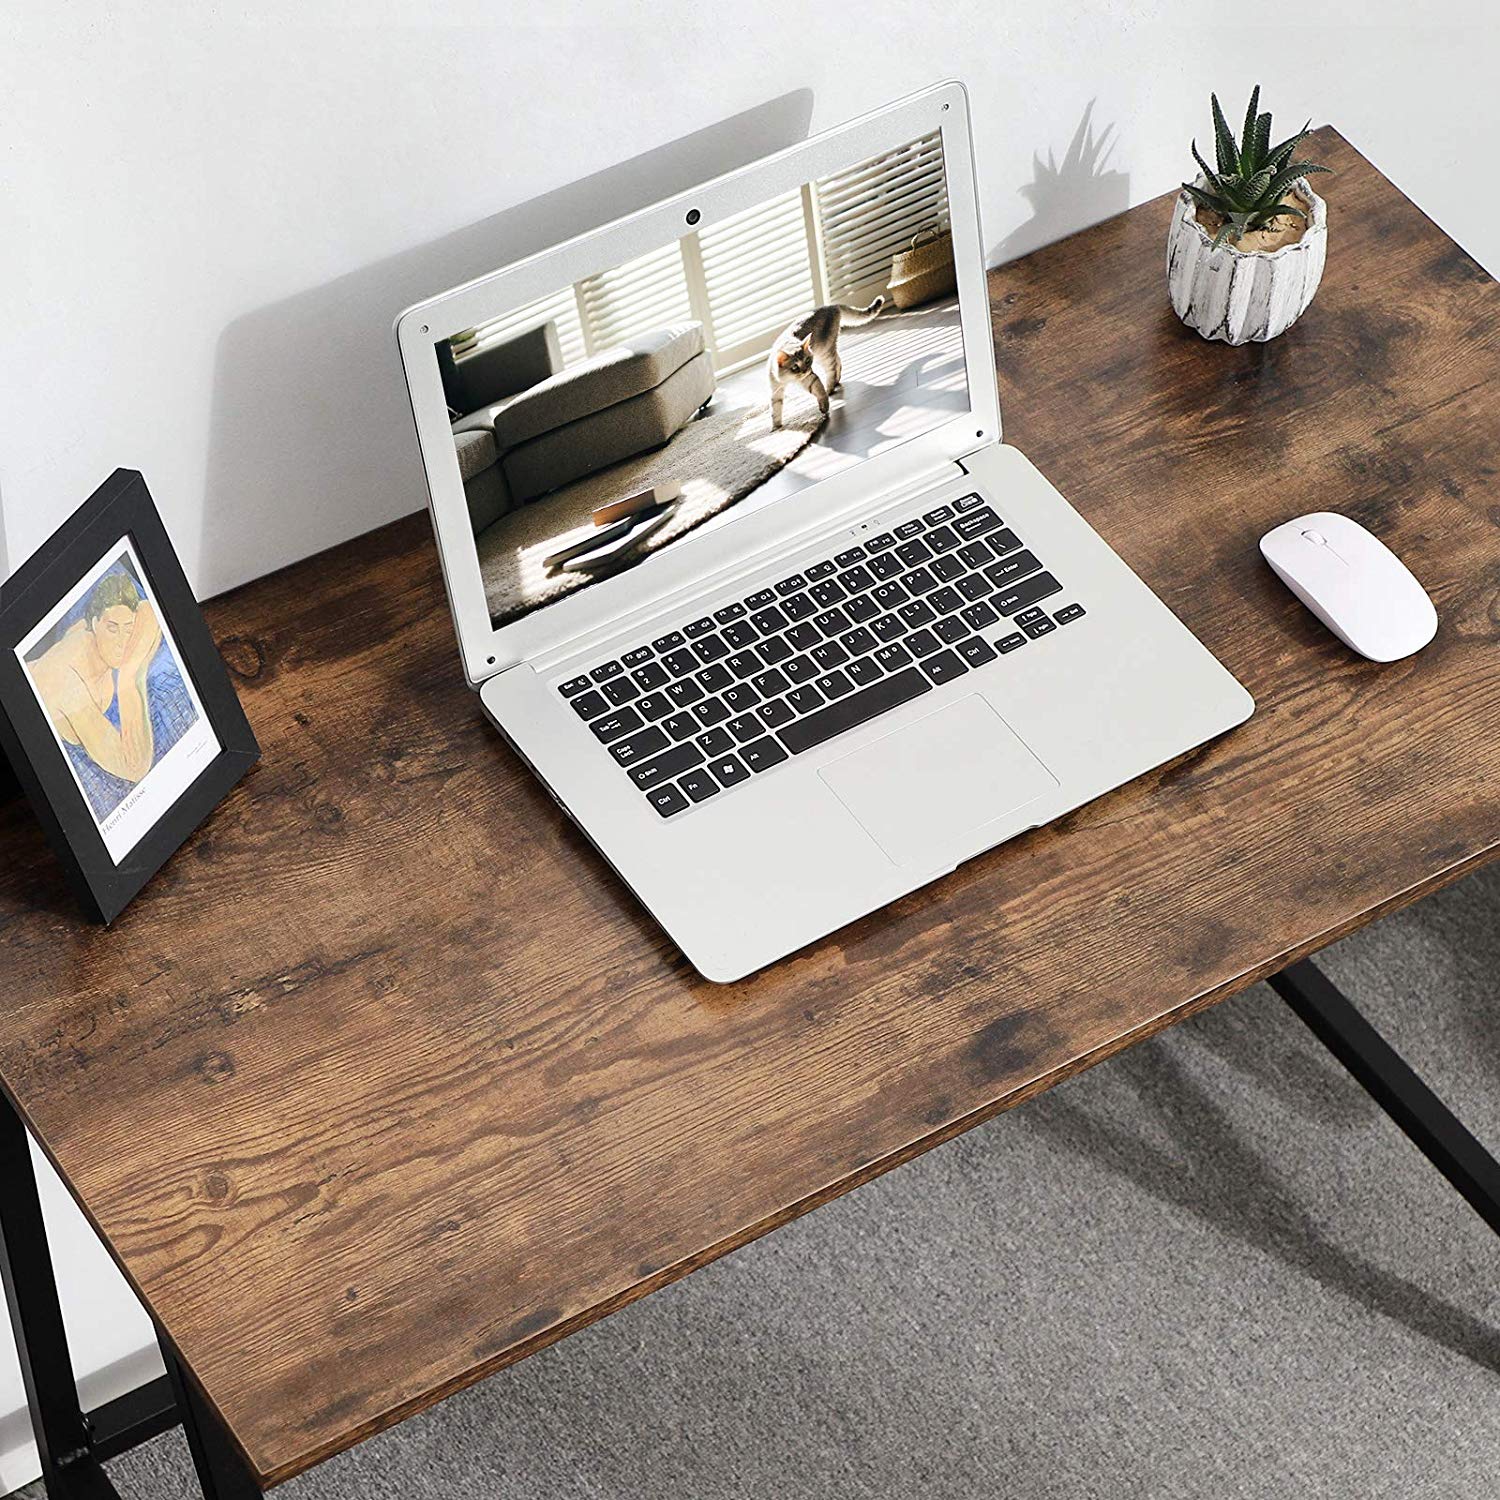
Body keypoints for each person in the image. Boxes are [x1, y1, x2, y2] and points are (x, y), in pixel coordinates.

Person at [28, 571, 163, 792]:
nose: (122, 643)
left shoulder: (88, 630)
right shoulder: (66, 681)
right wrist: (130, 678)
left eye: (129, 630)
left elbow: (149, 610)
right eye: (112, 629)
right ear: (95, 623)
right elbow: (134, 768)